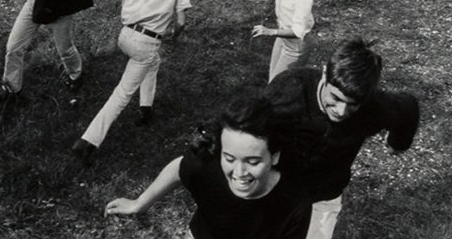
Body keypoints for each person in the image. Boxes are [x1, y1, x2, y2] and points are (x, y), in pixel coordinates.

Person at [263, 37, 420, 239]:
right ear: (325, 74)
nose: (341, 111)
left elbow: (409, 107)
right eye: (335, 98)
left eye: (353, 104)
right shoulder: (289, 90)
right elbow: (248, 126)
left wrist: (398, 143)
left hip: (324, 196)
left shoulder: (376, 107)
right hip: (280, 189)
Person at [59, 0, 191, 165]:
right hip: (146, 43)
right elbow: (181, 22)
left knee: (153, 62)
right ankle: (87, 142)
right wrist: (174, 35)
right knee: (122, 94)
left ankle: (146, 108)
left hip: (125, 36)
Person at [104, 96, 312, 239]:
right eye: (229, 158)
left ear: (275, 156)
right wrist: (139, 203)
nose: (238, 173)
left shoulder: (294, 204)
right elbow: (179, 168)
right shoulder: (205, 167)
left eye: (253, 161)